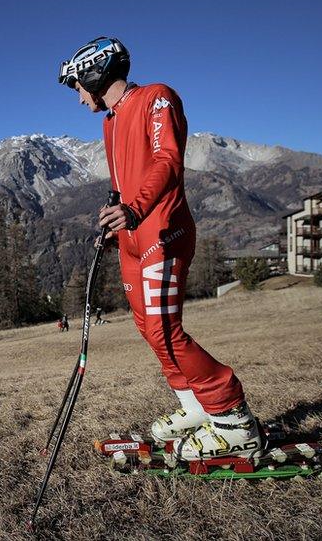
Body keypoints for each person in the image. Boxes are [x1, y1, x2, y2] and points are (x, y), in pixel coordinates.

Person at [59, 36, 260, 460]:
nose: (78, 99)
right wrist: (115, 216)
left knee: (166, 332)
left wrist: (134, 208)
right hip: (131, 237)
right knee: (148, 328)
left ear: (95, 75)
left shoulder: (157, 98)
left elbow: (167, 160)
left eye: (77, 86)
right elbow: (123, 181)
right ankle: (193, 406)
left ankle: (233, 418)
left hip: (162, 234)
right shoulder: (110, 121)